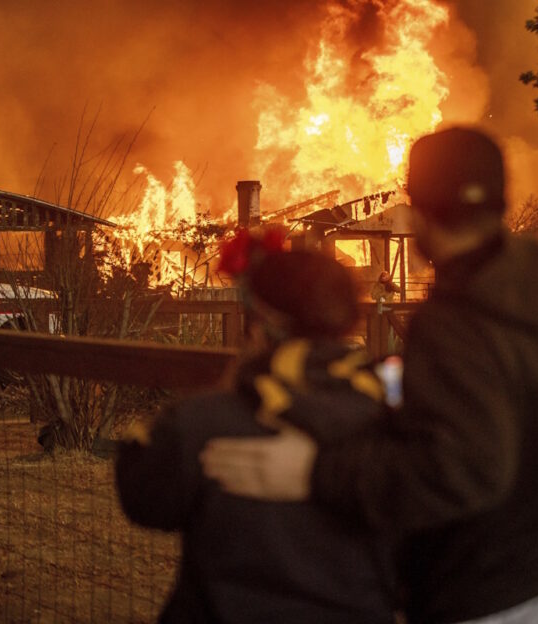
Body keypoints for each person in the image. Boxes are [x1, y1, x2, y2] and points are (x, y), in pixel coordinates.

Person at [200, 127, 538, 624]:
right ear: (500, 202)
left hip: (500, 599)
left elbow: (456, 468)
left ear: (419, 208)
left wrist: (314, 472)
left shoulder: (456, 321)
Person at [115, 230, 397, 623]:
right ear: (346, 321)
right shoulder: (395, 422)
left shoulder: (203, 423)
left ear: (259, 326)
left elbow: (144, 500)